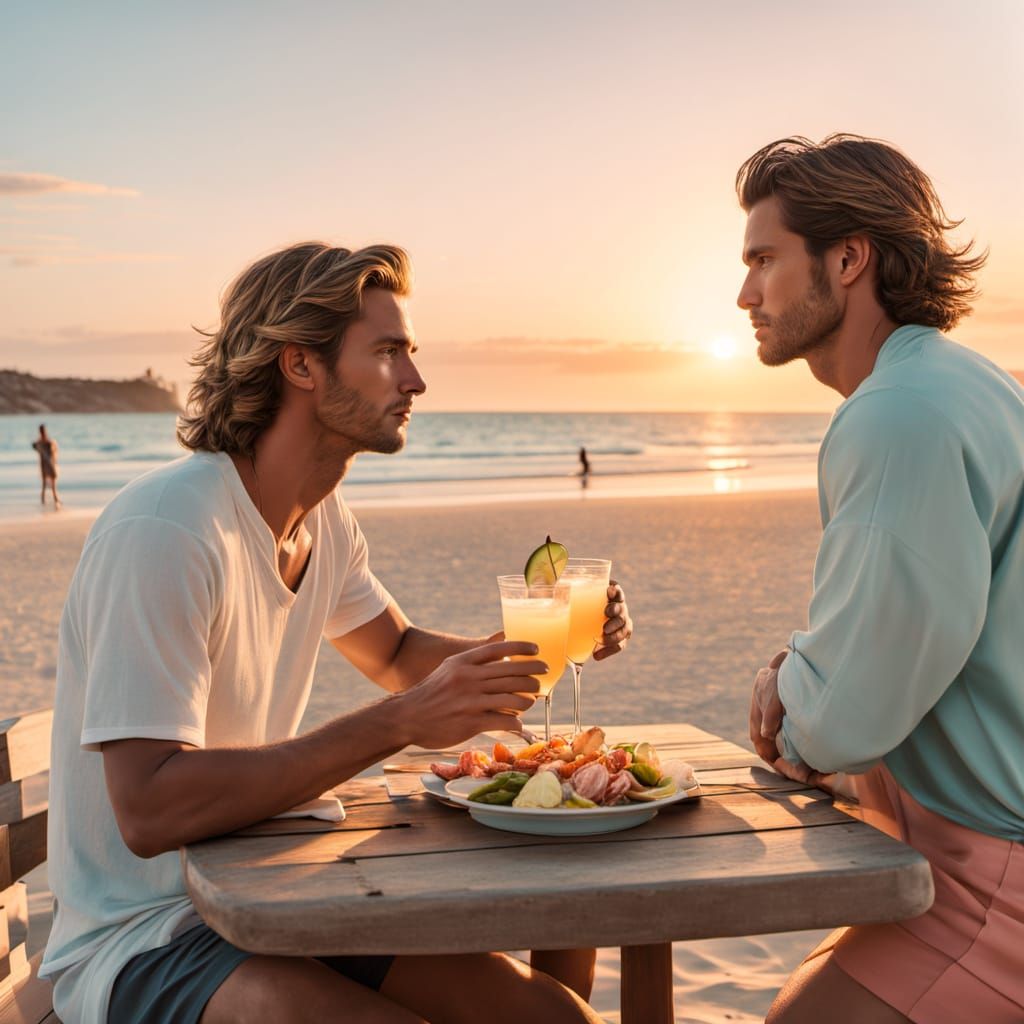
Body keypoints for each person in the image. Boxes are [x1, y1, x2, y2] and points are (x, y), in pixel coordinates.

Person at [40, 242, 633, 1024]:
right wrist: (401, 722)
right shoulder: (168, 531)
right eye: (388, 353)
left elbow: (392, 653)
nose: (416, 380)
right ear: (300, 366)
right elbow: (148, 810)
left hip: (273, 899)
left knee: (555, 1018)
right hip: (143, 939)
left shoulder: (322, 523)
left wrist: (552, 647)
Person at [738, 135, 1024, 1023]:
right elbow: (931, 620)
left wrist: (791, 689)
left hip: (991, 880)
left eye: (763, 260)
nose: (745, 294)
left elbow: (845, 718)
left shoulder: (898, 415)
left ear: (849, 257)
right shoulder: (970, 384)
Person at [33, 423, 61, 508]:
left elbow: (52, 449)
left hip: (49, 463)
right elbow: (35, 447)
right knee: (45, 483)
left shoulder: (46, 441)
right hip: (44, 463)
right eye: (42, 430)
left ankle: (53, 499)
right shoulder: (40, 441)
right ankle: (44, 500)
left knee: (52, 481)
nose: (43, 431)